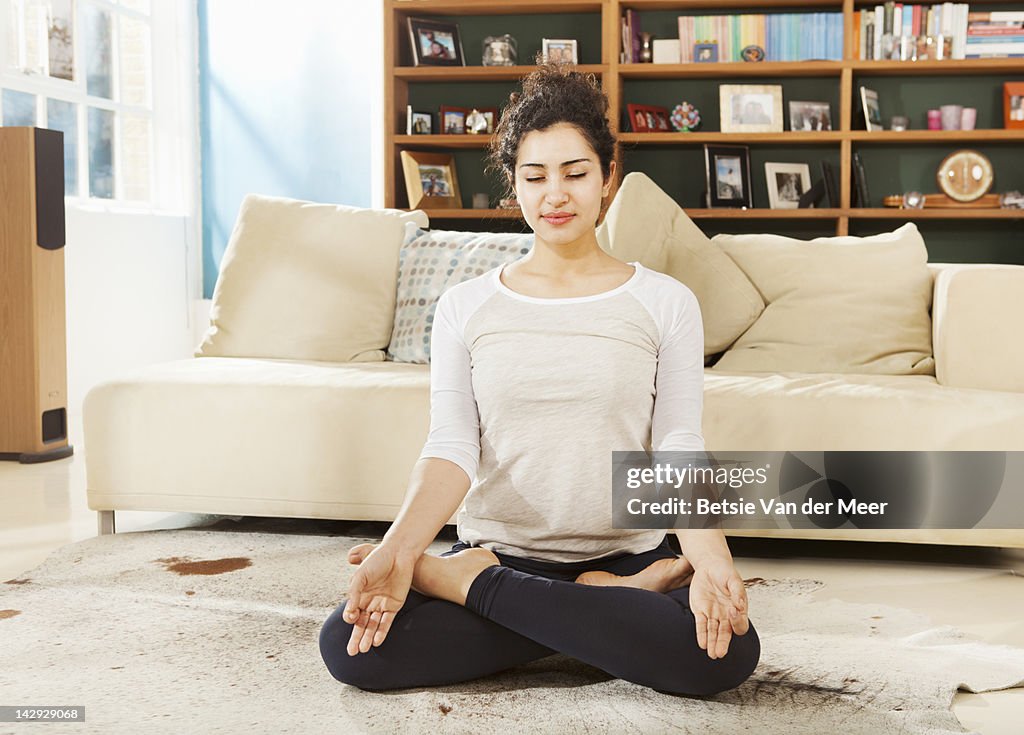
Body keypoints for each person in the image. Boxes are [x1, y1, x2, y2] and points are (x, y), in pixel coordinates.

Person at [319, 59, 760, 696]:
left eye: (576, 174)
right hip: (501, 545)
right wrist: (396, 549)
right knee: (353, 649)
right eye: (536, 176)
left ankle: (468, 585)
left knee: (725, 656)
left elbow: (676, 446)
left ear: (608, 178)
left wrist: (712, 558)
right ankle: (607, 610)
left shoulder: (665, 301)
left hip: (623, 553)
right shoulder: (466, 307)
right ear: (515, 186)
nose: (556, 194)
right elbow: (450, 449)